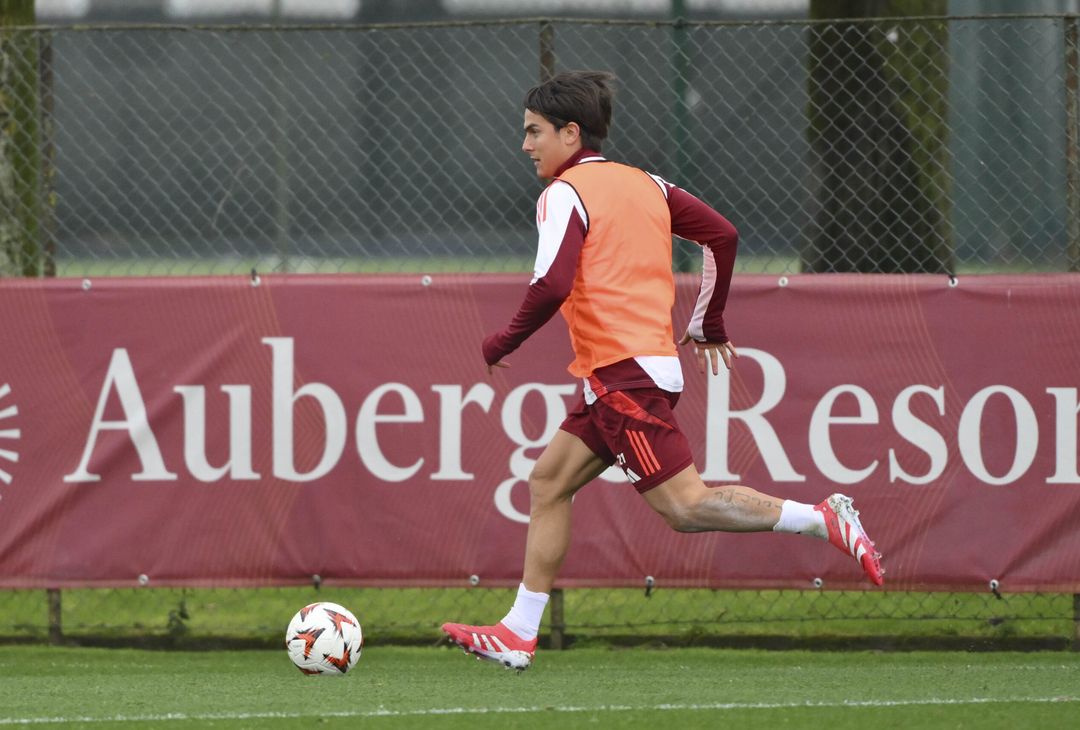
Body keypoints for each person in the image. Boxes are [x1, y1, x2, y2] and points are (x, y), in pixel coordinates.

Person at [442, 70, 883, 672]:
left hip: (625, 377)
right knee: (548, 483)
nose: (526, 145)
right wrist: (709, 322)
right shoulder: (647, 183)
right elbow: (722, 235)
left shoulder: (563, 194)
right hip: (630, 372)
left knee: (685, 507)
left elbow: (551, 284)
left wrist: (500, 340)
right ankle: (519, 633)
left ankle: (821, 519)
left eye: (534, 131)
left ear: (571, 133)